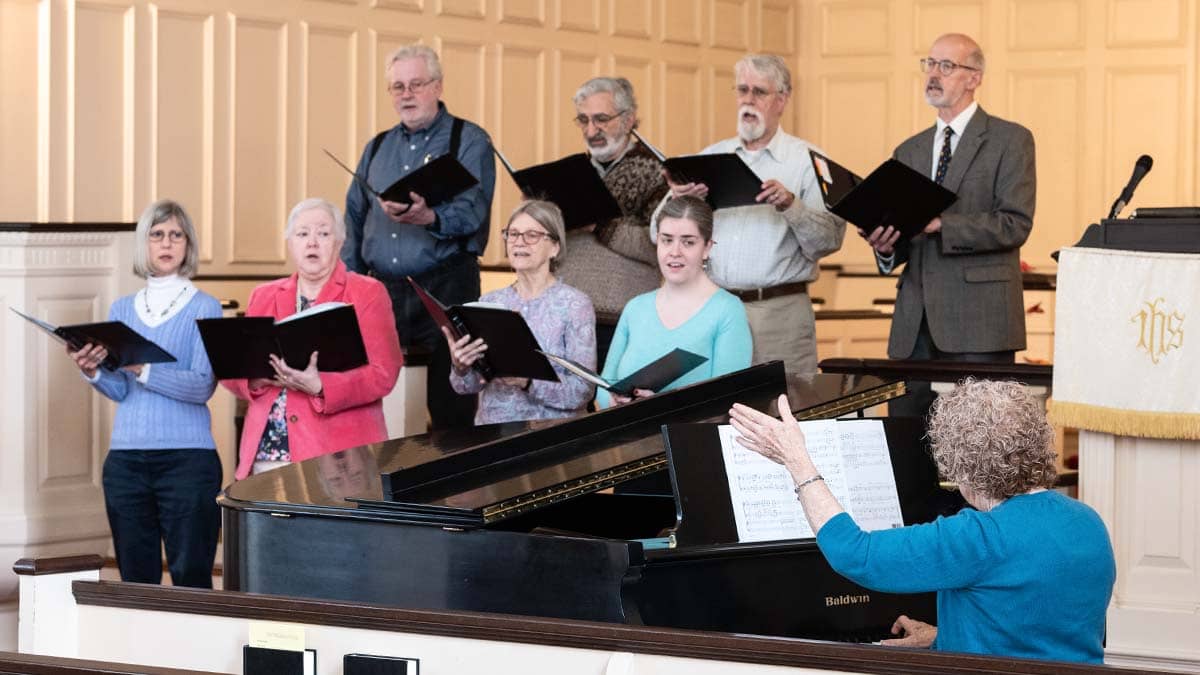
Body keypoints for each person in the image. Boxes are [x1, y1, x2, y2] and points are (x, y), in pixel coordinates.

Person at [728, 378, 1115, 663]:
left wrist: (796, 460)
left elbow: (854, 553)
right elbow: (1035, 629)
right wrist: (942, 637)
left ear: (957, 465)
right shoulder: (1088, 523)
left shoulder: (977, 537)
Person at [861, 33, 1036, 420]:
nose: (933, 75)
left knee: (980, 448)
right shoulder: (909, 150)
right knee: (908, 448)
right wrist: (887, 245)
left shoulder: (1010, 140)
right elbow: (904, 236)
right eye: (929, 64)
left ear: (974, 77)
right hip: (914, 325)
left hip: (979, 323)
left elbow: (1015, 223)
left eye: (946, 66)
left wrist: (942, 223)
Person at [653, 53, 845, 378]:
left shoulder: (807, 160)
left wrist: (790, 206)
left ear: (782, 100)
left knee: (786, 408)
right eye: (742, 90)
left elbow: (829, 241)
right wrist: (678, 200)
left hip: (779, 313)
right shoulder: (711, 156)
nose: (749, 100)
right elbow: (655, 236)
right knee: (712, 414)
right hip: (712, 309)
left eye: (760, 92)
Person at [68, 199, 223, 587]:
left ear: (188, 244)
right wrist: (92, 372)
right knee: (136, 580)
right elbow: (122, 390)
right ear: (144, 244)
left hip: (188, 461)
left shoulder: (206, 307)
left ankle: (189, 650)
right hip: (125, 462)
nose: (166, 243)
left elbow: (202, 384)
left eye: (176, 234)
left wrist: (143, 367)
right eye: (157, 234)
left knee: (191, 577)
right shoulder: (122, 309)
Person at [341, 44, 495, 430]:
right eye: (397, 87)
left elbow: (475, 212)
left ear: (438, 86)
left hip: (447, 284)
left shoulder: (469, 140)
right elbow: (354, 217)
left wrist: (429, 216)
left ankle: (457, 490)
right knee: (373, 395)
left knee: (452, 404)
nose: (406, 94)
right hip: (383, 292)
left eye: (416, 84)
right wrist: (349, 285)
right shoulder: (376, 147)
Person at [225, 198, 403, 480]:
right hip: (267, 453)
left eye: (323, 233)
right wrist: (257, 379)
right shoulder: (264, 295)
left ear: (340, 241)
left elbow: (384, 373)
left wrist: (321, 385)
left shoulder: (366, 292)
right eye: (302, 234)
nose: (312, 242)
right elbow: (235, 370)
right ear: (290, 243)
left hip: (339, 461)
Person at [444, 200, 596, 424]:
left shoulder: (575, 305)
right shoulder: (490, 301)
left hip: (551, 437)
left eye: (531, 235)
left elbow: (583, 391)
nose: (519, 242)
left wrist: (528, 382)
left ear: (555, 246)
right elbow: (465, 387)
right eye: (513, 234)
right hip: (493, 433)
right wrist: (461, 367)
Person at [598, 196, 752, 408]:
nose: (674, 252)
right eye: (666, 240)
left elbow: (729, 399)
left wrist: (659, 407)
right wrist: (613, 400)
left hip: (691, 439)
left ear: (707, 247)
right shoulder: (635, 307)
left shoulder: (727, 310)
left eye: (688, 242)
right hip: (626, 437)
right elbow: (603, 385)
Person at [556, 76, 668, 366]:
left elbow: (659, 246)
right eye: (583, 120)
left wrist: (600, 226)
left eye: (601, 119)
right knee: (568, 408)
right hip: (566, 313)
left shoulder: (660, 172)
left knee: (618, 407)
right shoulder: (569, 173)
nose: (591, 130)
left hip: (622, 318)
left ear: (629, 119)